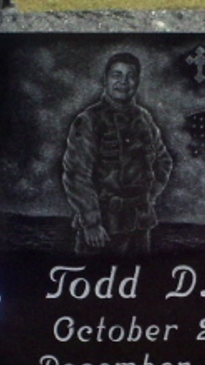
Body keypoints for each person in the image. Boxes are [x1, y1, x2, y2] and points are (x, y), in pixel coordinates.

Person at [62, 53, 174, 254]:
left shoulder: (144, 118)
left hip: (140, 224)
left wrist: (149, 195)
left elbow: (163, 161)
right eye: (117, 75)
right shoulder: (89, 120)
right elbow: (77, 174)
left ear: (137, 81)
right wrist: (91, 222)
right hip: (103, 228)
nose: (123, 82)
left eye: (130, 76)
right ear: (105, 79)